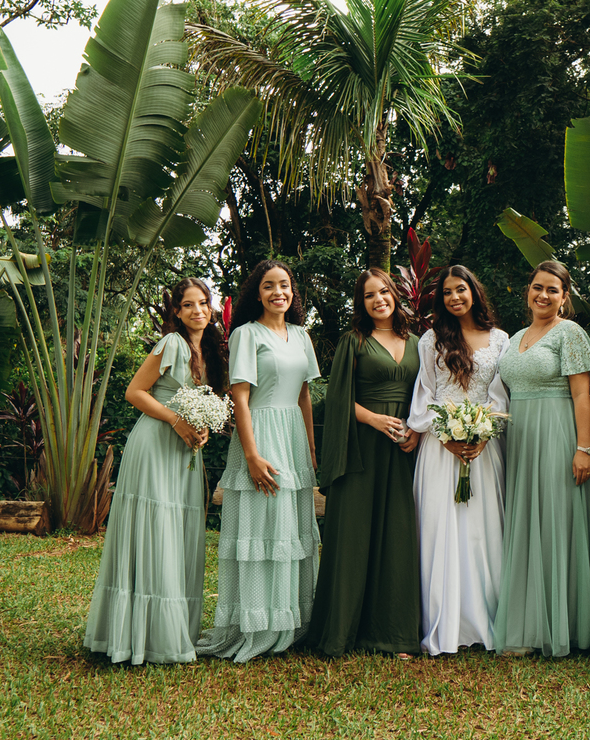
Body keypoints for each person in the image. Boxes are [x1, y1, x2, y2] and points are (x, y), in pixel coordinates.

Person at [84, 277, 225, 664]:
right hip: (154, 446)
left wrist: (202, 428)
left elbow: (201, 403)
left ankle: (170, 632)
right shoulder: (171, 344)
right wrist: (177, 422)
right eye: (189, 305)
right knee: (155, 531)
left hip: (184, 454)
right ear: (176, 312)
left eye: (204, 303)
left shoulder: (208, 352)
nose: (199, 311)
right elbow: (135, 392)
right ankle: (138, 638)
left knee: (177, 535)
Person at [196, 260, 320, 663]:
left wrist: (312, 449)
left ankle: (289, 624)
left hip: (295, 439)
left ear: (292, 292)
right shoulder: (246, 334)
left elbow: (303, 396)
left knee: (290, 534)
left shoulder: (302, 336)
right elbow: (240, 397)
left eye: (284, 285)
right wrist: (251, 455)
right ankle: (255, 625)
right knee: (262, 531)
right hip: (261, 434)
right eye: (269, 286)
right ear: (258, 293)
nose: (277, 293)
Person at [309, 269, 423, 659]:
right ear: (362, 303)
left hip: (402, 450)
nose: (379, 300)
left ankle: (394, 635)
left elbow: (426, 396)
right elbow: (338, 398)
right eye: (369, 295)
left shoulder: (418, 343)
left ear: (396, 295)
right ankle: (340, 634)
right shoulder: (353, 342)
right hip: (359, 448)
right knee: (354, 537)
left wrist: (418, 432)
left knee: (397, 535)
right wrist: (374, 419)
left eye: (384, 292)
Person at [493, 260, 590, 657]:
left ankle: (559, 623)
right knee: (524, 521)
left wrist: (583, 448)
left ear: (564, 297)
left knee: (554, 520)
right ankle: (525, 621)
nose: (543, 295)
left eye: (552, 290)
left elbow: (581, 395)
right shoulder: (516, 335)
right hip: (519, 436)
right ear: (528, 291)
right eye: (538, 287)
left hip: (557, 432)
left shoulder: (569, 332)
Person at [407, 266, 510, 656]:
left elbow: (500, 393)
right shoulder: (432, 340)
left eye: (461, 289)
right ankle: (443, 623)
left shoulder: (500, 340)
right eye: (447, 292)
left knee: (482, 532)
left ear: (474, 292)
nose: (454, 297)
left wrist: (483, 432)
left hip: (483, 449)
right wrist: (445, 434)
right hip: (440, 448)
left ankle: (485, 620)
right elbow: (425, 393)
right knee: (440, 529)